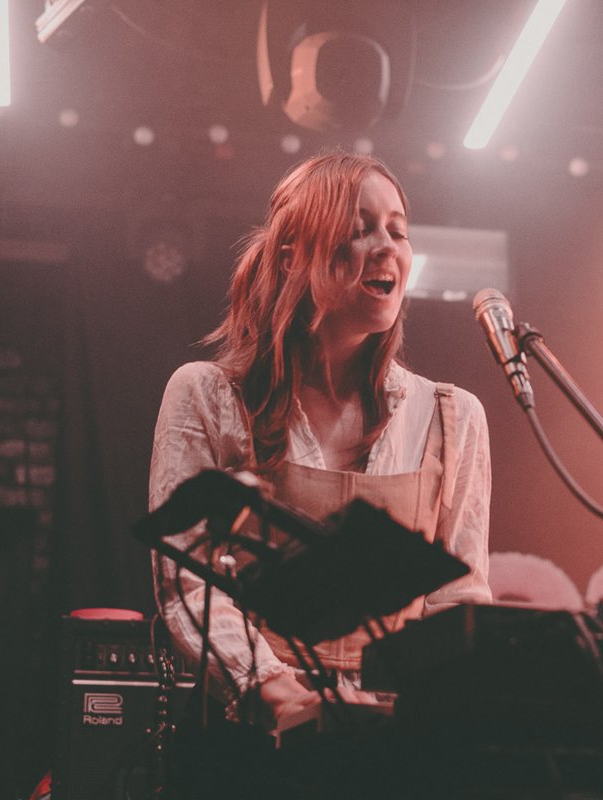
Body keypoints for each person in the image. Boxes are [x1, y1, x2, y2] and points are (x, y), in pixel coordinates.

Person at [148, 152, 492, 746]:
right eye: (361, 230)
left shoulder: (452, 416)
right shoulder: (208, 396)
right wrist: (280, 694)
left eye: (398, 230)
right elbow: (189, 583)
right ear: (292, 257)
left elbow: (458, 597)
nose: (388, 247)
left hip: (395, 743)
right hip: (250, 737)